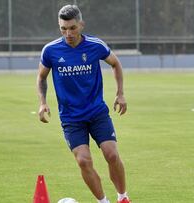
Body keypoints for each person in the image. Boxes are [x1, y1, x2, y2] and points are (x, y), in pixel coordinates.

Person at [36, 5, 130, 203]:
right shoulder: (51, 50)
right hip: (71, 117)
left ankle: (123, 197)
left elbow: (115, 63)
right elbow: (42, 77)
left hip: (97, 112)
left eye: (72, 28)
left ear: (81, 25)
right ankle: (103, 201)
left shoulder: (95, 45)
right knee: (83, 161)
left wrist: (120, 94)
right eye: (63, 28)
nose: (68, 33)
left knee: (112, 155)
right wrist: (42, 102)